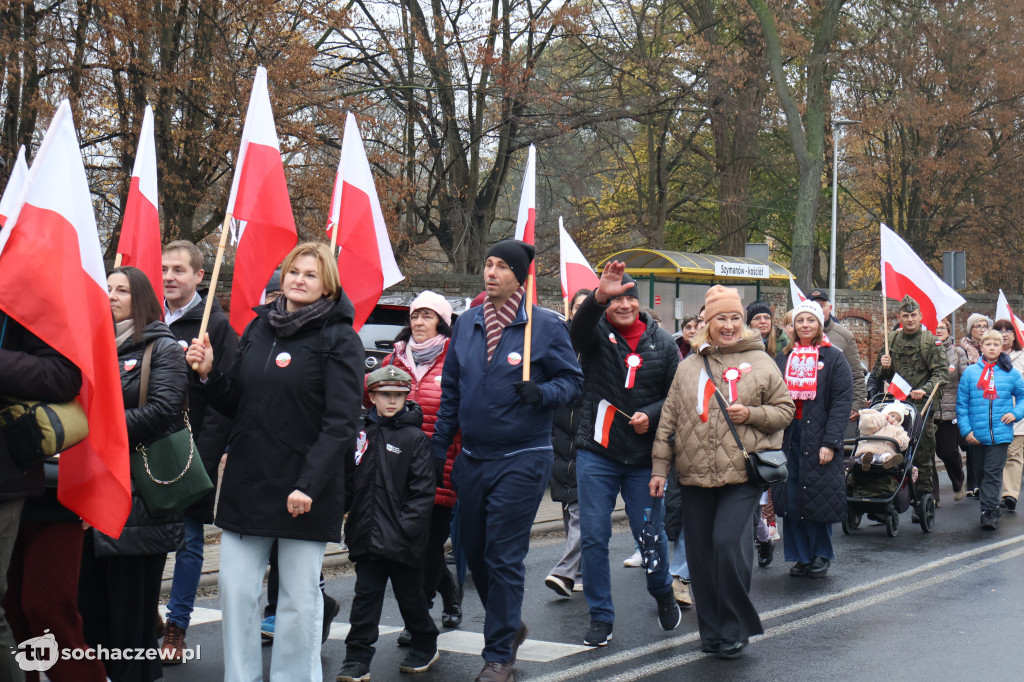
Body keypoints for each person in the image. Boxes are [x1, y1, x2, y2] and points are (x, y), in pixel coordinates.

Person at [187, 242, 364, 681]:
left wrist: (309, 484)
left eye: (310, 274)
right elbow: (239, 403)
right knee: (236, 590)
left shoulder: (340, 338)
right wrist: (210, 375)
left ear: (328, 286)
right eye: (292, 271)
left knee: (299, 598)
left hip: (305, 489)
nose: (298, 280)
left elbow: (341, 423)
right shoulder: (259, 328)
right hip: (250, 482)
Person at [432, 239, 583, 682]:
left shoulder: (546, 325)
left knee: (503, 556)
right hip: (473, 458)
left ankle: (499, 655)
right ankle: (509, 623)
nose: (491, 272)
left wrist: (543, 393)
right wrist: (438, 448)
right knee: (473, 554)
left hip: (523, 457)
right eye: (488, 263)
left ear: (520, 276)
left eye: (501, 266)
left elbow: (573, 383)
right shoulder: (467, 324)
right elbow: (452, 393)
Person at [651, 285, 794, 660]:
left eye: (734, 318)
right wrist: (659, 468)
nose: (728, 325)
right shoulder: (688, 367)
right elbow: (669, 421)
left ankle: (735, 626)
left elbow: (785, 410)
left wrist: (753, 415)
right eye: (720, 319)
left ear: (742, 322)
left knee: (727, 544)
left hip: (742, 473)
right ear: (707, 323)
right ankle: (712, 631)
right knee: (700, 556)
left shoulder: (761, 361)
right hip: (694, 474)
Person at [79, 266, 187, 682]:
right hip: (93, 491)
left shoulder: (163, 348)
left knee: (131, 619)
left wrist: (99, 425)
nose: (110, 296)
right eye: (107, 288)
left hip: (140, 496)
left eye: (121, 290)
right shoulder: (92, 347)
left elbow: (164, 411)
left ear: (139, 298)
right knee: (91, 609)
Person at [570, 264, 681, 647]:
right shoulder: (596, 334)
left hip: (644, 459)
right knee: (594, 537)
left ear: (641, 303)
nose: (624, 304)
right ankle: (601, 615)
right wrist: (599, 294)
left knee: (650, 535)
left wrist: (649, 416)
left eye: (631, 297)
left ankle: (663, 589)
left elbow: (675, 397)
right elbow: (575, 334)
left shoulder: (664, 344)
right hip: (597, 452)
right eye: (616, 299)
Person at [0, 311, 100, 682]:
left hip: (51, 481)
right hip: (22, 479)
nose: (112, 297)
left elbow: (63, 375)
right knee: (12, 611)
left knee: (47, 611)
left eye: (122, 291)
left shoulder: (34, 297)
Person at [158, 240, 239, 663]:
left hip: (192, 452)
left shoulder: (217, 326)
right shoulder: (147, 319)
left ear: (198, 276)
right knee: (141, 536)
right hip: (146, 448)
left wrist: (204, 459)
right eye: (164, 269)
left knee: (189, 541)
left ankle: (177, 626)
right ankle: (143, 611)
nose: (169, 276)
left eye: (178, 270)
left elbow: (225, 402)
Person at [337, 366, 439, 680]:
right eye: (385, 395)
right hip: (366, 534)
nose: (391, 401)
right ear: (372, 397)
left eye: (398, 395)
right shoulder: (360, 435)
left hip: (403, 539)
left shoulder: (414, 439)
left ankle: (425, 642)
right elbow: (347, 480)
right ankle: (357, 657)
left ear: (406, 397)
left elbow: (422, 493)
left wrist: (404, 531)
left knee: (411, 597)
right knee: (365, 599)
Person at [376, 290, 464, 635]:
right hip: (396, 471)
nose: (419, 322)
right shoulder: (393, 362)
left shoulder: (456, 359)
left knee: (427, 545)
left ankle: (420, 619)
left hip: (441, 469)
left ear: (441, 321)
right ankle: (449, 591)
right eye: (415, 315)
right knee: (412, 545)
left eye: (427, 316)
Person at [772, 299, 852, 579]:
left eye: (811, 320)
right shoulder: (782, 357)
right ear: (793, 326)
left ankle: (820, 554)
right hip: (788, 438)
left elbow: (842, 402)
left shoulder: (833, 357)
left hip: (819, 439)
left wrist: (830, 442)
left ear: (819, 324)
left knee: (818, 497)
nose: (805, 325)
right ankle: (800, 556)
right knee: (791, 499)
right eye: (800, 321)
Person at [868, 295, 947, 504]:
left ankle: (923, 498)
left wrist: (925, 389)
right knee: (889, 447)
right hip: (897, 405)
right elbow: (881, 375)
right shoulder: (892, 339)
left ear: (920, 316)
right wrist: (885, 366)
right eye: (906, 315)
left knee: (922, 453)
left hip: (923, 406)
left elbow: (941, 374)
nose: (910, 319)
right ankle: (886, 493)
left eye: (913, 315)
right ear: (899, 317)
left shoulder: (930, 341)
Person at [545, 288, 590, 598]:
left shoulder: (600, 344)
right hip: (559, 433)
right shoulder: (558, 342)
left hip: (587, 436)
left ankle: (564, 571)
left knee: (578, 509)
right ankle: (580, 570)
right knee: (568, 506)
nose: (582, 311)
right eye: (578, 306)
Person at [956, 329, 1024, 529]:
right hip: (976, 434)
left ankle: (988, 510)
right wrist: (966, 431)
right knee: (981, 474)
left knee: (993, 473)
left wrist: (1016, 413)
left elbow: (1022, 397)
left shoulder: (1011, 372)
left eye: (996, 344)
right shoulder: (970, 373)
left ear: (1001, 347)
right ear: (982, 347)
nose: (992, 347)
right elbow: (962, 404)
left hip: (1000, 433)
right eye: (988, 344)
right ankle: (991, 507)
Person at [807, 288, 867, 418]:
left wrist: (856, 404)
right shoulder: (800, 335)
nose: (818, 309)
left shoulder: (844, 336)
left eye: (822, 305)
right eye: (813, 306)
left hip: (834, 405)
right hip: (806, 406)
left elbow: (856, 373)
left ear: (830, 307)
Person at [934, 317, 969, 502]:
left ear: (948, 330)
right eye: (935, 328)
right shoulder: (927, 350)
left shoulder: (957, 352)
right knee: (925, 455)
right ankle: (932, 497)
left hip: (950, 408)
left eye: (942, 328)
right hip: (928, 408)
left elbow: (965, 379)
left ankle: (958, 481)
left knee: (947, 451)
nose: (938, 330)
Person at [995, 320, 1024, 510]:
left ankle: (1009, 495)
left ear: (1015, 335)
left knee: (1013, 454)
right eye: (1000, 330)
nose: (1004, 334)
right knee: (997, 457)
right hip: (994, 415)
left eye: (1008, 330)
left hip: (1018, 415)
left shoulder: (1022, 358)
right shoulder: (989, 358)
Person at [852, 404, 910, 469]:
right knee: (868, 454)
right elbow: (865, 426)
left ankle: (888, 462)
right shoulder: (877, 422)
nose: (893, 420)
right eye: (892, 416)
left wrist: (900, 441)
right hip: (870, 448)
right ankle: (866, 461)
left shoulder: (899, 429)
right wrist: (882, 418)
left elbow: (905, 438)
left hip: (886, 452)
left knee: (887, 456)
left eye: (897, 420)